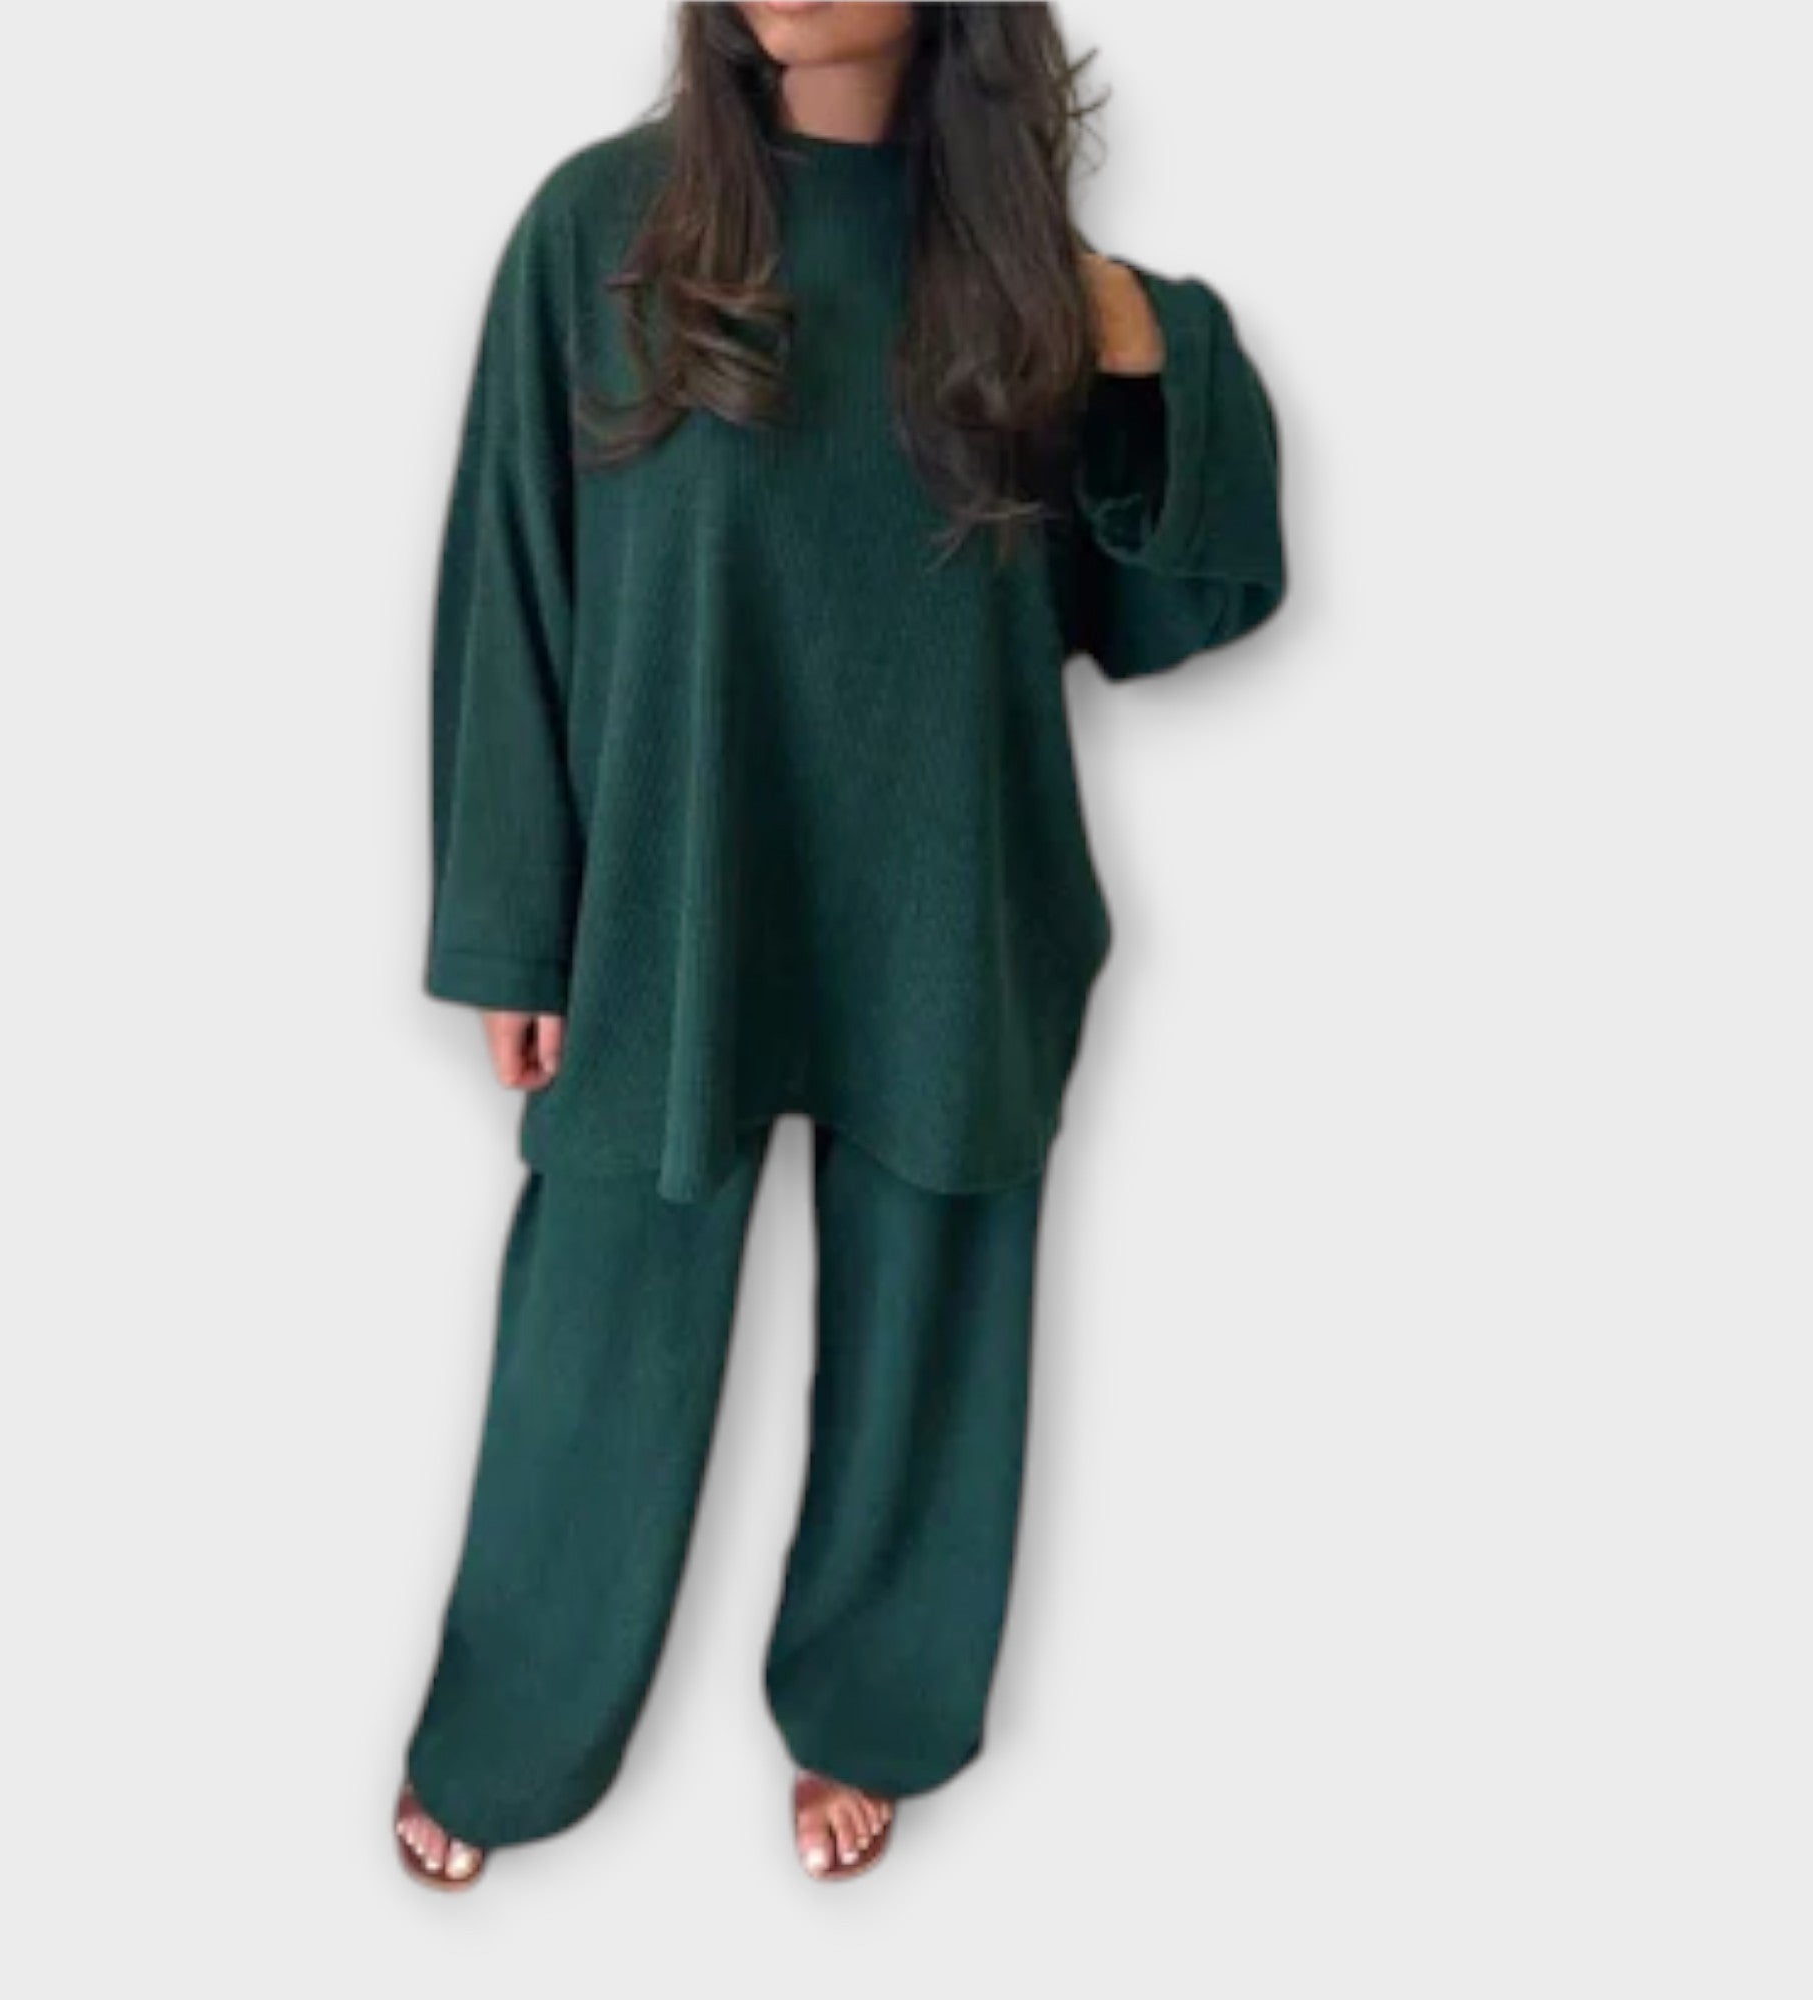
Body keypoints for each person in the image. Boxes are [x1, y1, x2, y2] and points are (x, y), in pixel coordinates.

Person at [395, 0, 1286, 1888]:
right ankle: (509, 1733)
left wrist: (1147, 336)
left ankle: (871, 1710)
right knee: (598, 1322)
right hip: (670, 883)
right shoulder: (603, 231)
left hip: (953, 880)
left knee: (934, 1313)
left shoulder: (1015, 272)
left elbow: (1159, 602)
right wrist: (513, 929)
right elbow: (515, 573)